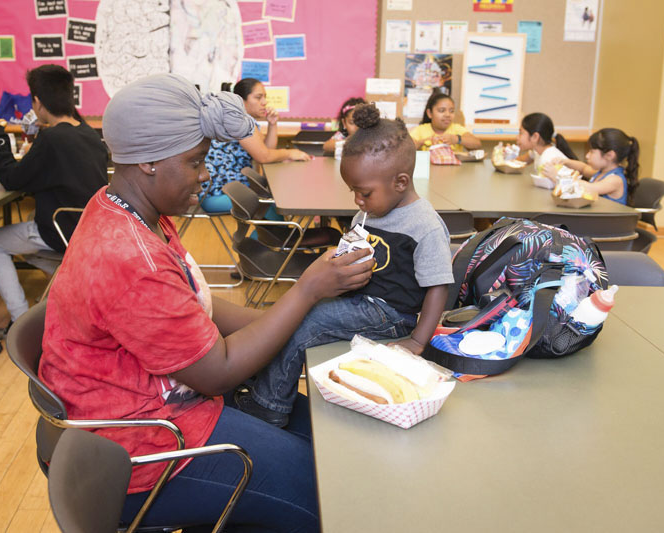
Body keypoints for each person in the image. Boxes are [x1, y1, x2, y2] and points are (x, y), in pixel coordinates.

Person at [39, 73, 374, 532]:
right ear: (150, 162)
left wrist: (291, 320)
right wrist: (306, 291)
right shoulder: (130, 257)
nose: (205, 174)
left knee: (333, 435)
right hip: (143, 448)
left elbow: (197, 305)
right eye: (196, 162)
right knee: (324, 492)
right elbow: (217, 369)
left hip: (161, 408)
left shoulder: (129, 207)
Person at [236, 103, 454, 427]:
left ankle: (270, 403)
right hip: (361, 300)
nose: (357, 201)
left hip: (391, 314)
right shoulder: (368, 212)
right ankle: (266, 383)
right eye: (353, 191)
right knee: (293, 310)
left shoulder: (425, 225)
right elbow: (348, 255)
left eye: (364, 193)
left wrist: (418, 340)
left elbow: (439, 286)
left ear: (400, 181)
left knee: (309, 321)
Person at [0, 65, 108, 325]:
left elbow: (11, 178)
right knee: (29, 223)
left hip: (62, 232)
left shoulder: (52, 139)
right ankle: (72, 285)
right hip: (89, 232)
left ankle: (20, 320)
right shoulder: (89, 134)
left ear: (37, 102)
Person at [200, 78, 311, 213]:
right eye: (258, 97)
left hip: (231, 191)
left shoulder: (247, 120)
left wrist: (272, 124)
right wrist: (290, 153)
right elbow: (263, 157)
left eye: (265, 97)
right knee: (273, 202)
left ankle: (273, 234)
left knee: (272, 198)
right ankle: (275, 234)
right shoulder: (238, 121)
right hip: (218, 196)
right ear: (241, 100)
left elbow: (267, 151)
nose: (264, 102)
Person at [544, 127, 639, 205]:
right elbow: (583, 168)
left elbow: (586, 188)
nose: (587, 156)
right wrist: (566, 162)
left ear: (609, 155)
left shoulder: (615, 180)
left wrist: (557, 177)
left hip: (608, 225)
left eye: (592, 152)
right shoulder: (601, 172)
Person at [410, 90, 482, 153]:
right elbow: (405, 148)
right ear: (429, 113)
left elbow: (477, 144)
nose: (447, 115)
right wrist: (423, 142)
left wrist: (456, 139)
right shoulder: (420, 130)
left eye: (451, 111)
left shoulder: (457, 129)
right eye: (441, 110)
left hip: (455, 169)